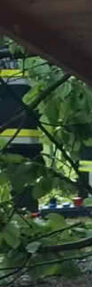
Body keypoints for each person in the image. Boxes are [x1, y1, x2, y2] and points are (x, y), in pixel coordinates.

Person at [0, 51, 42, 212]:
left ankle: (20, 216)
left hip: (7, 142)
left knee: (15, 181)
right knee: (26, 182)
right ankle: (30, 214)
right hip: (30, 143)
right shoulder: (28, 83)